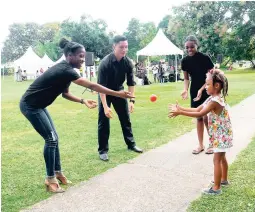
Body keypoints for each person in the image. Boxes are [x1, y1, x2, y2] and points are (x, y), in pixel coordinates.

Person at [19, 38, 134, 193]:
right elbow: (92, 85)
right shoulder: (65, 70)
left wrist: (83, 100)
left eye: (84, 56)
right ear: (69, 56)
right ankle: (50, 179)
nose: (83, 59)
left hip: (38, 106)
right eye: (80, 56)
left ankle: (58, 172)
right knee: (51, 139)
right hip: (30, 106)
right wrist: (117, 94)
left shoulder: (67, 71)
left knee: (54, 138)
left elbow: (65, 94)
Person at [169, 69, 233, 195]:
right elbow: (198, 108)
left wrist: (180, 113)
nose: (205, 87)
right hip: (222, 135)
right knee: (222, 158)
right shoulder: (211, 98)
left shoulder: (215, 101)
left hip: (221, 136)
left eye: (207, 84)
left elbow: (200, 114)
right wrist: (181, 108)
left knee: (217, 160)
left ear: (216, 85)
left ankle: (216, 188)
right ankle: (223, 180)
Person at [97, 35, 143, 161]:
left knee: (125, 119)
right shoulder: (105, 63)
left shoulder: (128, 62)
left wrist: (132, 101)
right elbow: (100, 88)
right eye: (121, 47)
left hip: (119, 92)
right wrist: (106, 107)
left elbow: (130, 83)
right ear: (114, 47)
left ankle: (131, 144)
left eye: (126, 47)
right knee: (103, 121)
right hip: (105, 92)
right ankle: (103, 150)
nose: (124, 49)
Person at [181, 35, 214, 154]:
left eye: (192, 47)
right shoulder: (184, 61)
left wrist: (202, 89)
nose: (189, 49)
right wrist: (185, 89)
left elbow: (212, 76)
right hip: (194, 90)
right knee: (198, 117)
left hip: (207, 88)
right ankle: (200, 145)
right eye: (187, 47)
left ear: (196, 45)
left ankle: (212, 143)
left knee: (207, 117)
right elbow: (186, 78)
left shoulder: (205, 58)